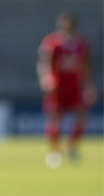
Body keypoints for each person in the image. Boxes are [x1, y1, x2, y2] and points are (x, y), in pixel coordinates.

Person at [37, 12, 96, 168]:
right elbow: (44, 63)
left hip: (74, 85)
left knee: (81, 116)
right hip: (58, 85)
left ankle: (72, 147)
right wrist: (46, 79)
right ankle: (54, 152)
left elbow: (85, 67)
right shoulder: (51, 43)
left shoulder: (81, 44)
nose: (65, 26)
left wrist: (89, 86)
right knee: (55, 117)